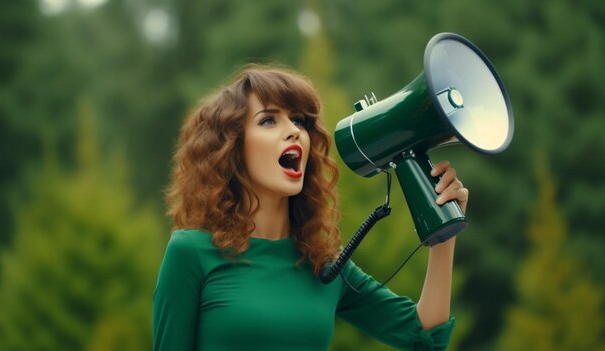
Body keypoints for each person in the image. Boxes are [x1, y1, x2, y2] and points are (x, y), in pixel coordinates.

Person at [153, 64, 469, 351]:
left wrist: (445, 233)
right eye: (268, 120)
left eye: (299, 121)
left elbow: (423, 336)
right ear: (231, 149)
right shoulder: (190, 253)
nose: (294, 131)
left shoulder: (324, 265)